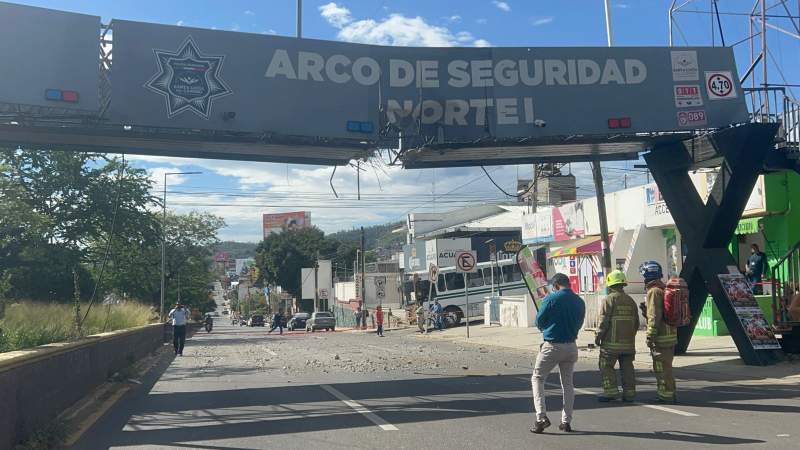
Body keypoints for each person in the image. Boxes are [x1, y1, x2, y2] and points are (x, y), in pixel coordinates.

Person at [530, 273, 585, 434]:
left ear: (555, 285)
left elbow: (539, 321)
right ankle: (566, 421)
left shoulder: (551, 298)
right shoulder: (579, 301)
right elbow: (580, 323)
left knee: (538, 378)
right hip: (571, 346)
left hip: (552, 345)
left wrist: (546, 328)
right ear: (568, 283)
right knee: (567, 384)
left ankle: (541, 418)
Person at [595, 270, 639, 402]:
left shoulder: (609, 299)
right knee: (627, 368)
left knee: (606, 365)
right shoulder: (631, 301)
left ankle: (611, 392)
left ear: (610, 285)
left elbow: (603, 321)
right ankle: (630, 394)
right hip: (628, 344)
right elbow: (636, 323)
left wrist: (598, 337)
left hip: (610, 345)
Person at [640, 261, 678, 404]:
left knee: (661, 368)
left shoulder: (653, 291)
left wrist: (650, 336)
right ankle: (670, 392)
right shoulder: (663, 288)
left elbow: (655, 317)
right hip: (670, 336)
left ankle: (665, 395)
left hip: (661, 338)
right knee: (667, 367)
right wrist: (645, 311)